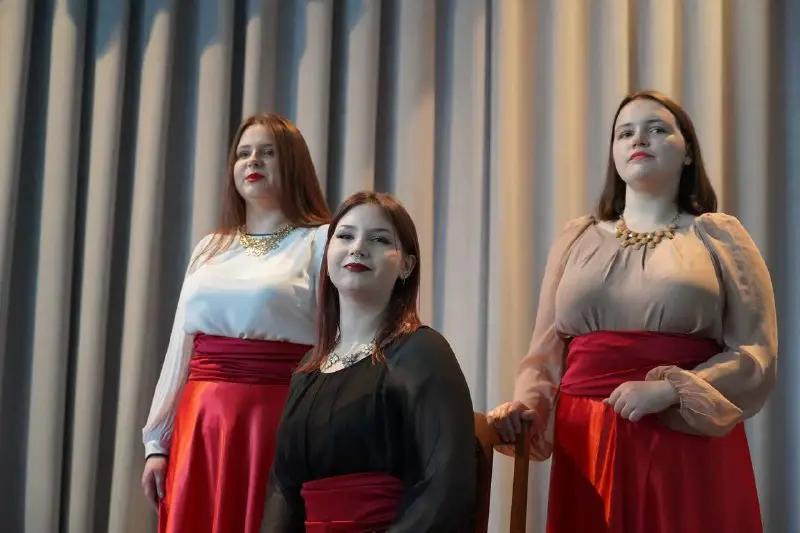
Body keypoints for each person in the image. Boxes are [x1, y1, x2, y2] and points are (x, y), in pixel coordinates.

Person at [487, 90, 777, 533]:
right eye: (625, 133)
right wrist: (524, 411)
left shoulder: (719, 236)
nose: (639, 138)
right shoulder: (576, 238)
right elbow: (544, 353)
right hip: (585, 439)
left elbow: (754, 354)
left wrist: (672, 390)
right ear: (614, 153)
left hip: (683, 440)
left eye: (657, 129)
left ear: (687, 153)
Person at [140, 114, 331, 533]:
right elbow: (180, 349)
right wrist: (158, 442)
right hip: (200, 423)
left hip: (272, 421)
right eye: (243, 153)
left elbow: (334, 344)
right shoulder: (211, 247)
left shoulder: (320, 241)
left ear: (294, 163)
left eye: (267, 152)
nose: (252, 161)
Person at [263, 191, 475, 532]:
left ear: (406, 265)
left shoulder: (423, 352)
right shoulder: (307, 369)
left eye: (379, 239)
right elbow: (283, 490)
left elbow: (446, 487)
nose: (358, 248)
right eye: (345, 236)